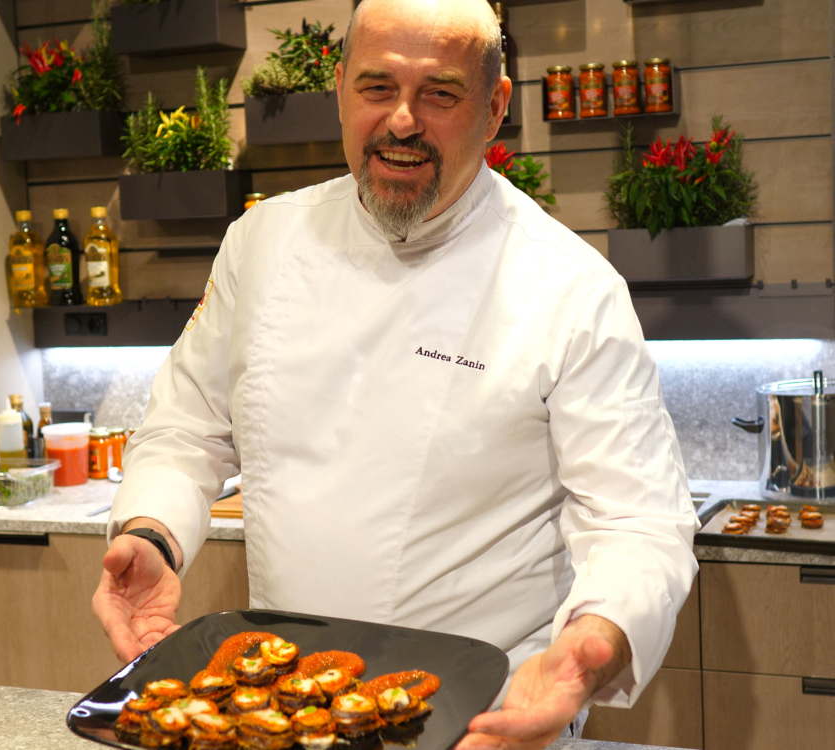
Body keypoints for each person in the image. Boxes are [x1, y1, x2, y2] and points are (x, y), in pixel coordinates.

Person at [93, 0, 699, 747]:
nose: (402, 121)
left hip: (487, 716)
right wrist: (152, 534)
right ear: (340, 88)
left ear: (494, 108)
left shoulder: (570, 287)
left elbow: (637, 521)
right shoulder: (262, 243)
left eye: (440, 93)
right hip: (292, 707)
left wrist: (593, 644)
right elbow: (187, 431)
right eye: (377, 87)